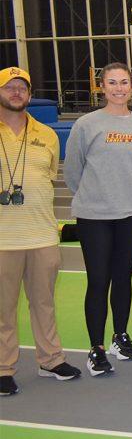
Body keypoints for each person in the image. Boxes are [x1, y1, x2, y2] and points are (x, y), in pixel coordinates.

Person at [64, 62, 132, 375]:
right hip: (94, 215)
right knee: (98, 280)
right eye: (112, 83)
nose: (119, 88)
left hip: (131, 213)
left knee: (123, 278)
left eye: (124, 82)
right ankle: (96, 347)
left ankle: (120, 335)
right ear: (102, 87)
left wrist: (125, 196)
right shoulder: (86, 125)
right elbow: (73, 171)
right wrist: (97, 197)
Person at [0, 66, 75, 394]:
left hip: (42, 235)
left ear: (29, 95)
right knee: (3, 309)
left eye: (22, 88)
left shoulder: (46, 135)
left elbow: (48, 179)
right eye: (9, 87)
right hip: (3, 239)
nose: (16, 93)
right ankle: (3, 367)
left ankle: (51, 359)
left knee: (44, 302)